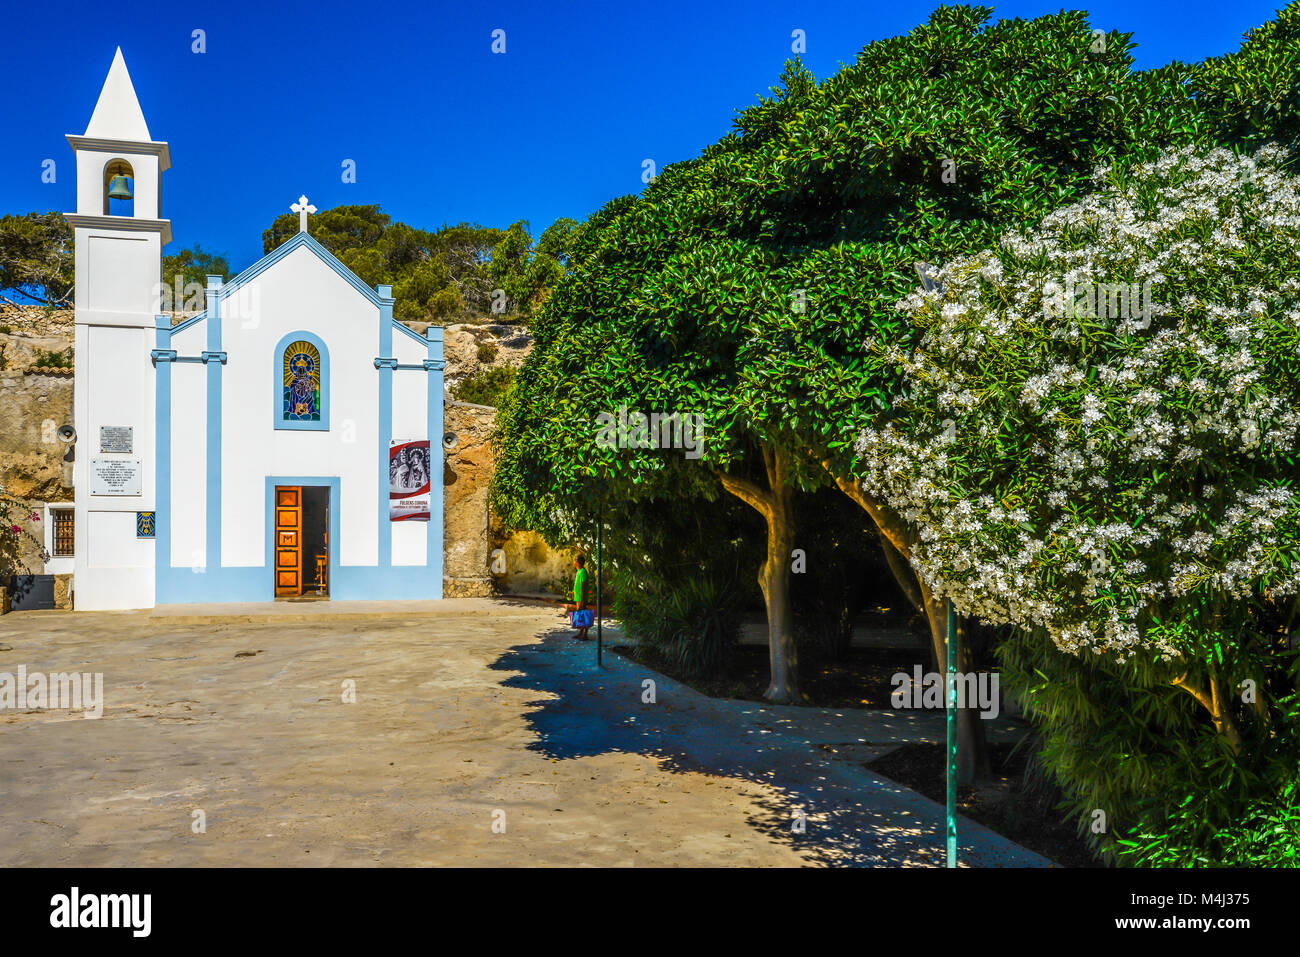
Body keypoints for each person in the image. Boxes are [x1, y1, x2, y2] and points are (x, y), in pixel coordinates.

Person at [565, 555, 593, 640]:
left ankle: (585, 634)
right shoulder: (579, 571)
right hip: (578, 598)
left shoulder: (583, 572)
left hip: (581, 598)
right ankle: (581, 633)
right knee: (580, 615)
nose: (574, 561)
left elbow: (583, 586)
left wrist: (582, 600)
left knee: (584, 615)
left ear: (578, 562)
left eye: (575, 560)